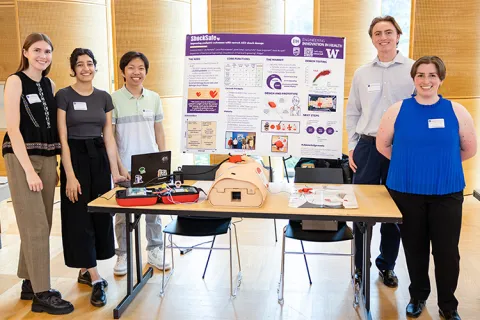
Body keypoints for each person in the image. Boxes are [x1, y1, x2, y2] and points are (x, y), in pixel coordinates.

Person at [377, 56, 476, 320]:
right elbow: (382, 145)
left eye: (432, 75)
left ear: (441, 79)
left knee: (446, 251)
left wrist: (438, 166)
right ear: (413, 79)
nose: (426, 80)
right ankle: (417, 296)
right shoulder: (398, 109)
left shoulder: (456, 110)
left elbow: (469, 149)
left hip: (447, 192)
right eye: (420, 75)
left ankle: (448, 305)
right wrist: (409, 165)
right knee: (414, 248)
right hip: (407, 192)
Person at [2, 33, 74, 315]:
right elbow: (14, 128)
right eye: (37, 50)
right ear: (25, 52)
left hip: (46, 157)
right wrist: (29, 170)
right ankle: (43, 293)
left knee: (39, 222)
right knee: (37, 228)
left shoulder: (49, 83)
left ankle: (30, 282)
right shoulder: (15, 81)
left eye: (47, 51)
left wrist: (53, 165)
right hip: (22, 158)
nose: (43, 56)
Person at [345, 15, 415, 287]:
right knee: (361, 210)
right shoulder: (362, 73)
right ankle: (359, 266)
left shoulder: (413, 69)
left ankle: (387, 266)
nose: (383, 37)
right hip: (367, 146)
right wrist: (352, 147)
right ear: (372, 38)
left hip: (401, 149)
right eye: (377, 33)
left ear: (398, 35)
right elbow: (353, 112)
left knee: (394, 212)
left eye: (388, 32)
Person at [56, 48, 125, 307]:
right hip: (75, 156)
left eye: (89, 64)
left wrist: (115, 171)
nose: (85, 68)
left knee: (98, 214)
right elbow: (62, 138)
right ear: (73, 69)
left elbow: (108, 137)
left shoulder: (104, 97)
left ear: (95, 67)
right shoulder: (63, 95)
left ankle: (86, 269)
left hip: (98, 158)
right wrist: (69, 175)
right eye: (80, 64)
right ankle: (96, 279)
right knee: (78, 216)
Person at [111, 51, 170, 275]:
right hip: (125, 164)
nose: (137, 73)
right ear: (123, 71)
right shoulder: (114, 99)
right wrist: (117, 165)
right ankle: (123, 254)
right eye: (131, 68)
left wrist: (164, 159)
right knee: (123, 212)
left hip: (153, 163)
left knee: (154, 209)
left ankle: (155, 249)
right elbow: (111, 135)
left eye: (141, 68)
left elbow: (159, 131)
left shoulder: (154, 98)